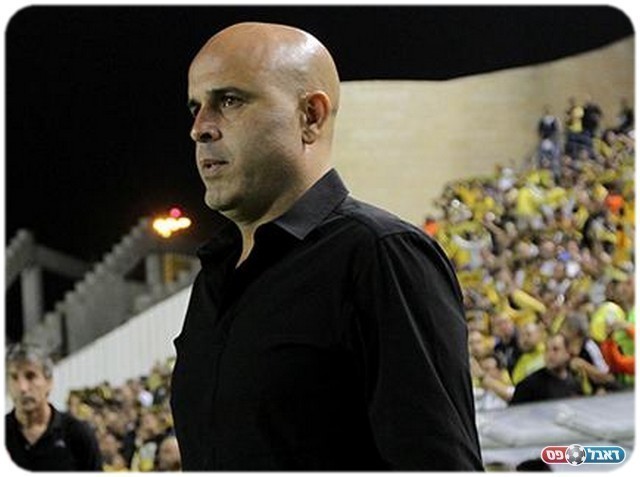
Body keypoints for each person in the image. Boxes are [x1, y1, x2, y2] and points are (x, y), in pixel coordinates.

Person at [170, 22, 482, 470]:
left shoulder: (381, 255)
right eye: (196, 107)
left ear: (310, 117)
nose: (199, 128)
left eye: (230, 101)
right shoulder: (215, 275)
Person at [5, 343, 103, 471]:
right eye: (14, 377)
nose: (22, 388)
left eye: (30, 376)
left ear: (49, 382)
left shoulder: (77, 434)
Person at [510, 334, 582, 405]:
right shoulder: (529, 385)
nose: (550, 354)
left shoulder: (575, 383)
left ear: (567, 353)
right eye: (546, 350)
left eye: (555, 349)